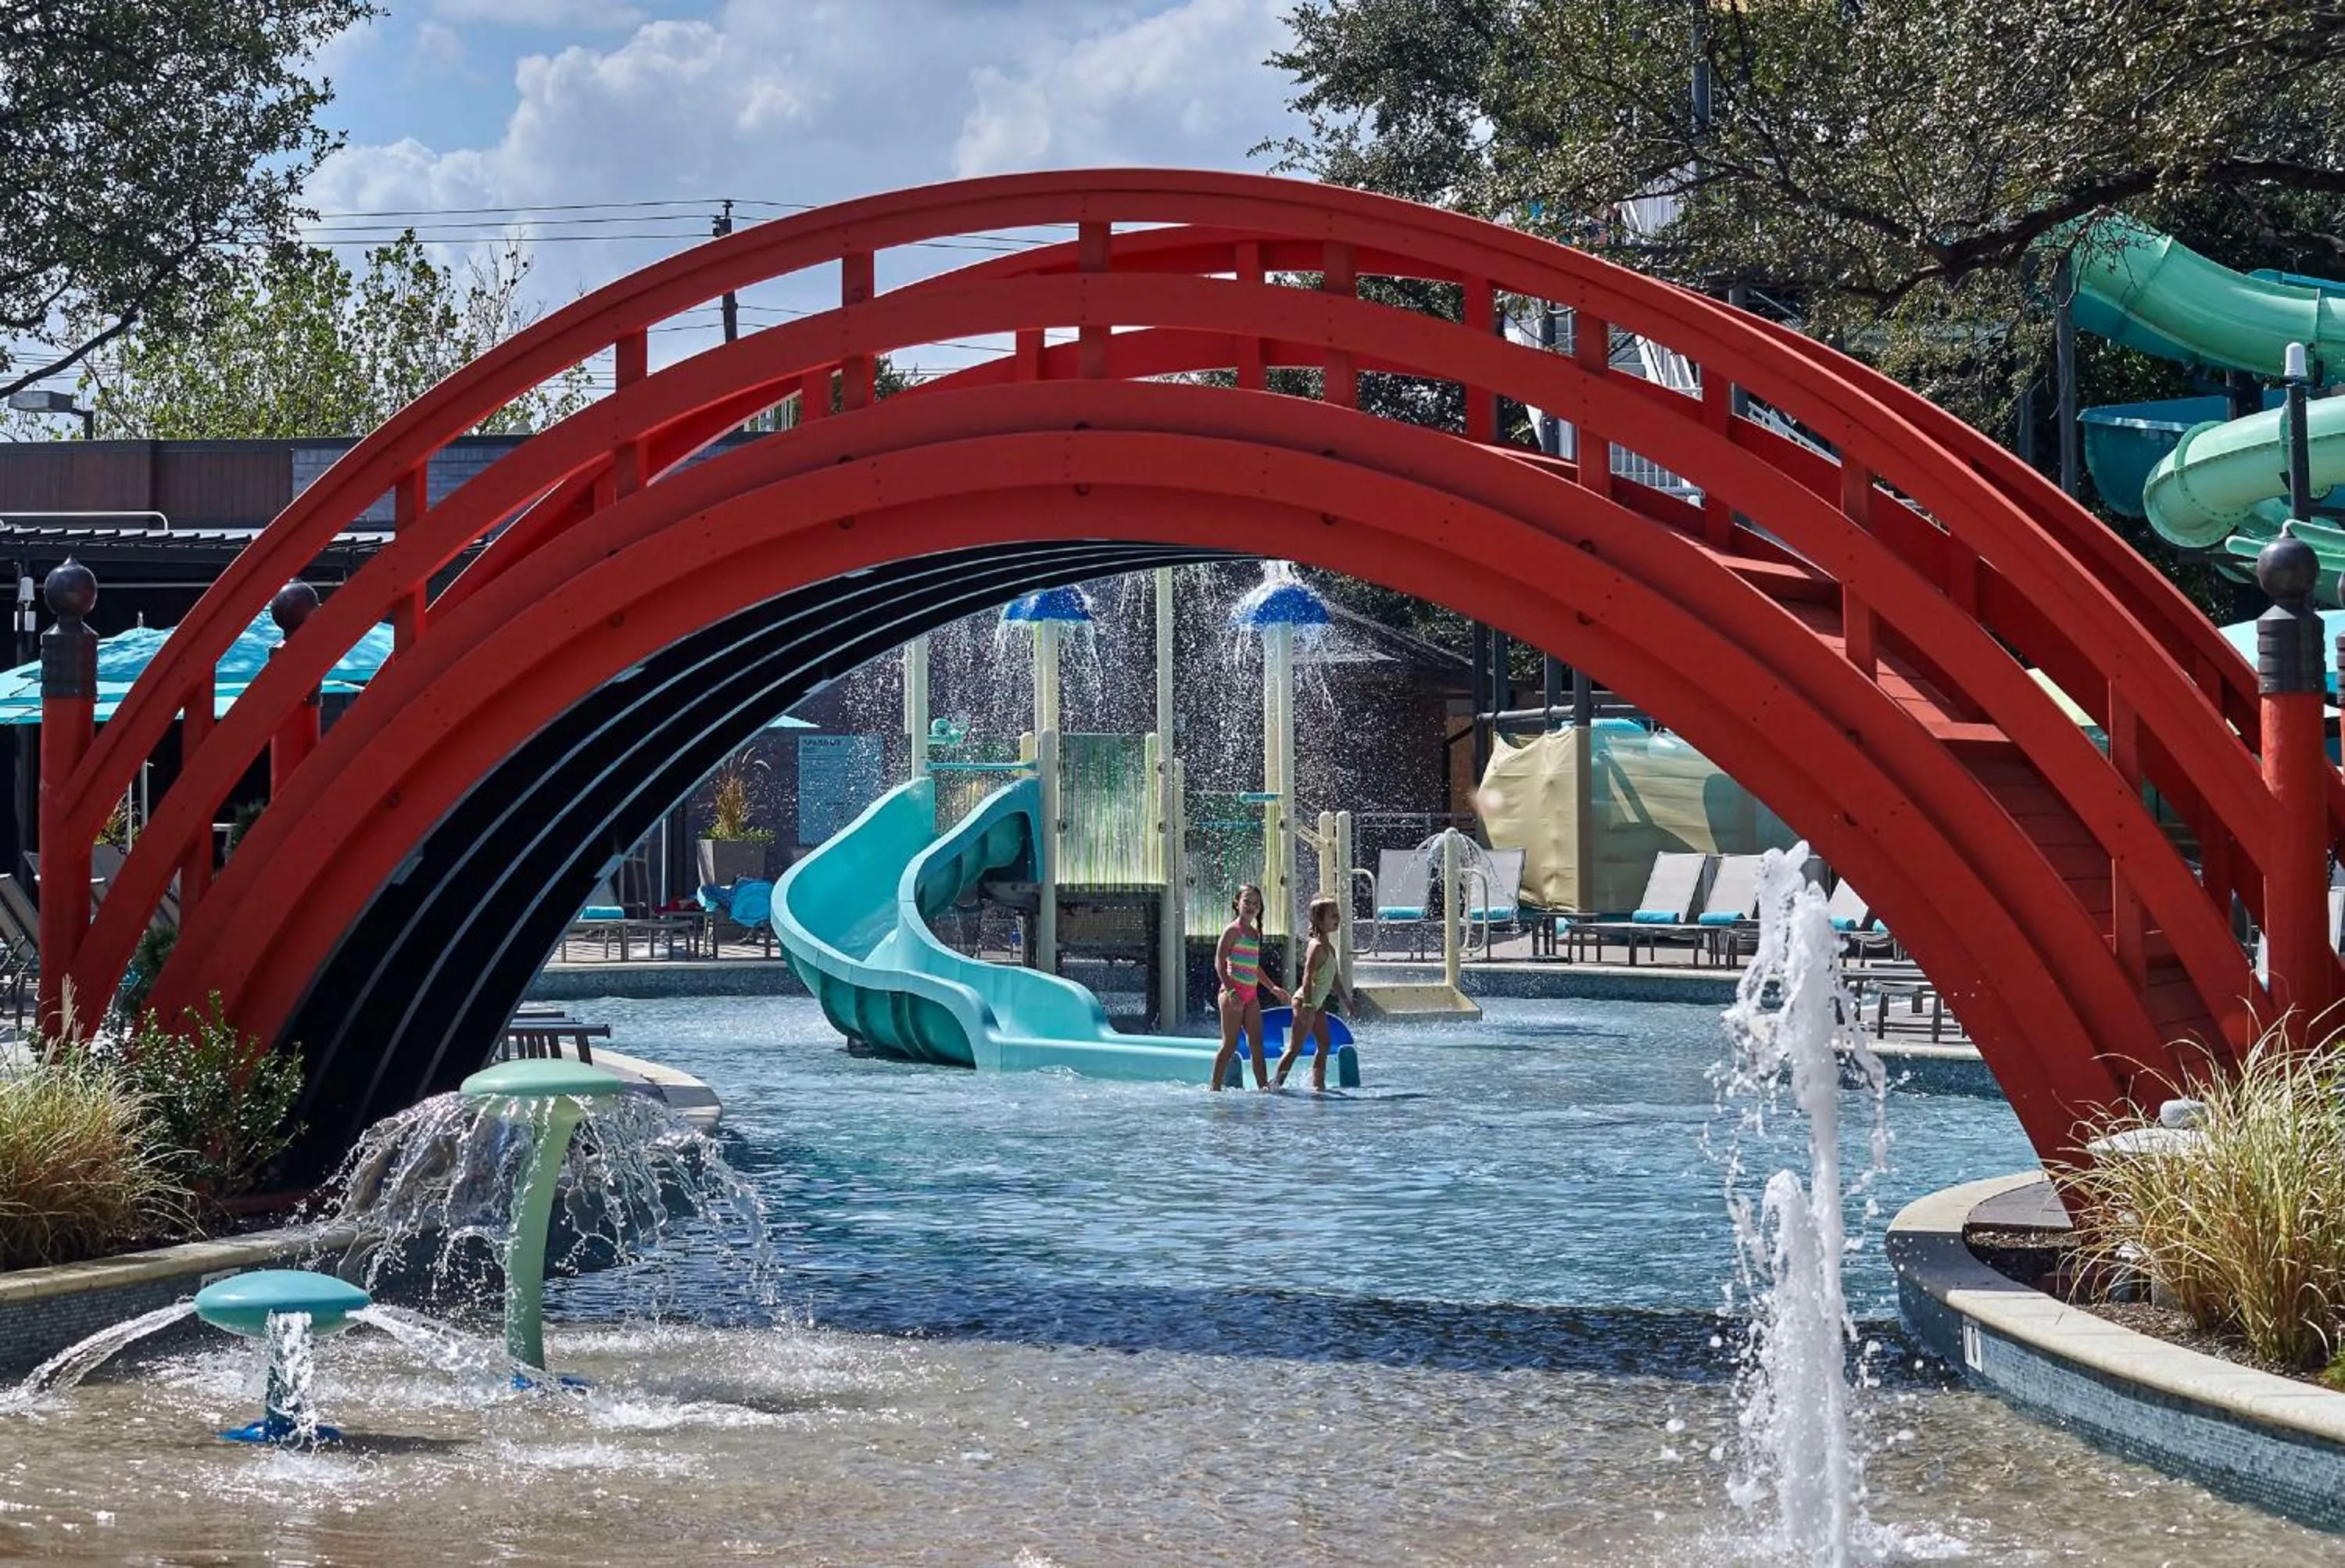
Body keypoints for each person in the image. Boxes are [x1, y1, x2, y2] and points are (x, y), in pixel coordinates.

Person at [1210, 884, 1287, 1090]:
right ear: (1237, 904)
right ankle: (1214, 1087)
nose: (1251, 907)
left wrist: (1273, 988)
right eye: (1247, 902)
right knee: (1230, 1045)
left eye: (1256, 903)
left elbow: (1255, 967)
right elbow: (1219, 962)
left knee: (1257, 1045)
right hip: (1231, 994)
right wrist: (1231, 990)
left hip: (1251, 995)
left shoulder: (1254, 933)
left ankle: (1263, 1088)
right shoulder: (1232, 930)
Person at [1275, 895, 1352, 1091]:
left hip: (1316, 1004)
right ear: (1319, 920)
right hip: (1304, 1002)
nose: (1338, 919)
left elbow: (1334, 978)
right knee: (1295, 1048)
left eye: (1338, 915)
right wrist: (1308, 1006)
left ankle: (1318, 1085)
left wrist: (1346, 1001)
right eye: (1333, 916)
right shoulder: (1316, 946)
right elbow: (1307, 978)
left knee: (1325, 1044)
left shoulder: (1330, 948)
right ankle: (1274, 1085)